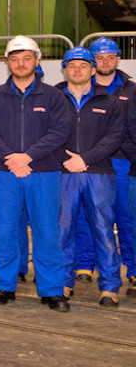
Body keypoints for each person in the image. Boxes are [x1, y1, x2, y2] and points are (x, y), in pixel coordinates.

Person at [0, 36, 72, 312]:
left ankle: (52, 290)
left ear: (37, 61)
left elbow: (60, 131)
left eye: (26, 58)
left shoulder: (54, 96)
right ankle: (5, 286)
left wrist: (28, 156)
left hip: (42, 171)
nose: (20, 63)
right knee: (4, 230)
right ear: (7, 63)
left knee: (46, 231)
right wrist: (12, 158)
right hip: (2, 171)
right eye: (15, 58)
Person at [55, 47, 124, 307]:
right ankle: (62, 282)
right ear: (65, 69)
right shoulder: (54, 99)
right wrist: (68, 158)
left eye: (83, 66)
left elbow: (114, 137)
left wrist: (85, 159)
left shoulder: (110, 102)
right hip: (64, 173)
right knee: (62, 229)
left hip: (99, 173)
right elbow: (47, 134)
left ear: (93, 70)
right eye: (72, 66)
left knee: (104, 229)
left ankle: (109, 286)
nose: (77, 70)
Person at [72, 37, 136, 288]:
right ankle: (85, 264)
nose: (105, 61)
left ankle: (132, 266)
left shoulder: (131, 90)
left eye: (110, 57)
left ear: (118, 59)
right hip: (87, 164)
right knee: (85, 216)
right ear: (91, 62)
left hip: (121, 163)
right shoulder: (80, 87)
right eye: (99, 58)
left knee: (125, 216)